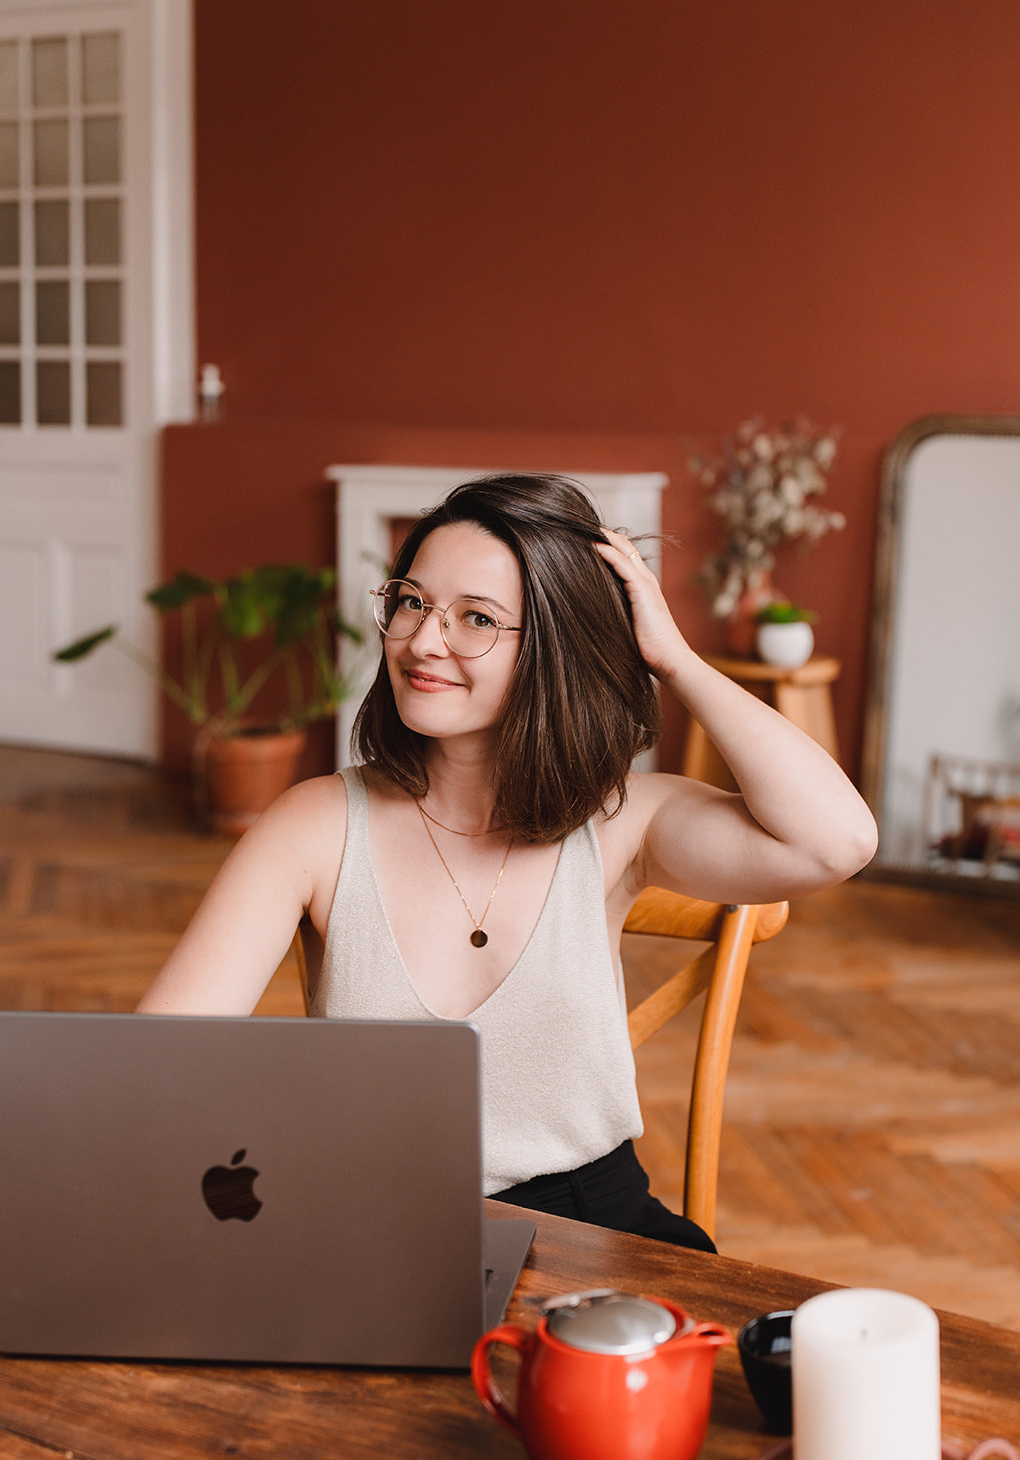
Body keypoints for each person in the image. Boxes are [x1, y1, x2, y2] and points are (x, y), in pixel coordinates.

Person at [138, 474, 877, 1252]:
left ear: (554, 649)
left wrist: (676, 660)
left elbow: (835, 843)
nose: (424, 641)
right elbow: (154, 1061)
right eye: (412, 601)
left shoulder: (622, 820)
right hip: (377, 1223)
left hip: (594, 1229)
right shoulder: (313, 824)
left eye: (477, 619)